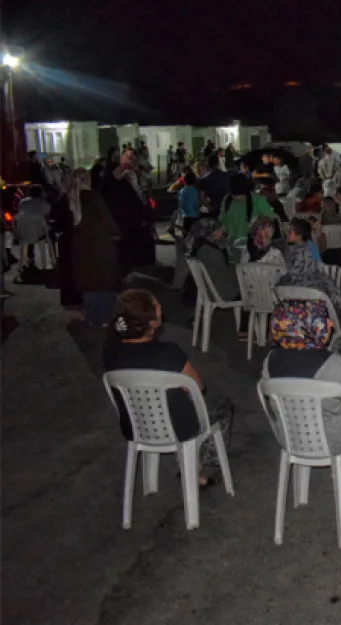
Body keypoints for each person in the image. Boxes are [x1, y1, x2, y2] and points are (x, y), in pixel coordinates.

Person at [104, 289, 233, 483]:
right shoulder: (168, 353)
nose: (160, 307)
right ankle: (196, 469)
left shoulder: (111, 353)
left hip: (135, 424)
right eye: (156, 306)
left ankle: (189, 465)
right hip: (176, 427)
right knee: (221, 405)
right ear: (151, 322)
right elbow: (198, 387)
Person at [262, 299, 341, 492]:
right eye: (322, 320)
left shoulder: (269, 361)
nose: (330, 324)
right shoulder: (335, 365)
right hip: (334, 440)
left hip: (291, 436)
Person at [69, 168, 121, 326]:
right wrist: (116, 234)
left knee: (88, 282)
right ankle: (104, 317)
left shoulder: (70, 199)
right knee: (104, 282)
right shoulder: (93, 197)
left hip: (80, 247)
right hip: (99, 244)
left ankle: (92, 317)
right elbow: (107, 220)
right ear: (87, 179)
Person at [100, 148, 155, 277]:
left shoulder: (121, 185)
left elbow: (137, 203)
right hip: (124, 228)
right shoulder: (113, 187)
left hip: (124, 228)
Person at [186, 218, 240, 304]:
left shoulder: (199, 246)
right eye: (220, 229)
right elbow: (223, 272)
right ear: (214, 232)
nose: (222, 231)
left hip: (205, 291)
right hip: (219, 292)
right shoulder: (212, 251)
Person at [220, 174, 275, 242]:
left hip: (255, 244)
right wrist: (222, 231)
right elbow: (223, 221)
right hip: (234, 244)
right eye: (235, 196)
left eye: (241, 196)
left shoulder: (258, 201)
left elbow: (270, 221)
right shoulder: (227, 200)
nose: (238, 198)